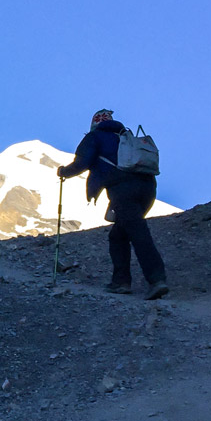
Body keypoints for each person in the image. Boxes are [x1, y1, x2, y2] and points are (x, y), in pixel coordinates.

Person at [57, 109, 168, 299]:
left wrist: (64, 172)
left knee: (138, 233)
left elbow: (82, 162)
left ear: (94, 125)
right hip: (148, 190)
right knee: (118, 235)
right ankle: (121, 282)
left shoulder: (95, 137)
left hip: (123, 190)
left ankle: (156, 280)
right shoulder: (126, 137)